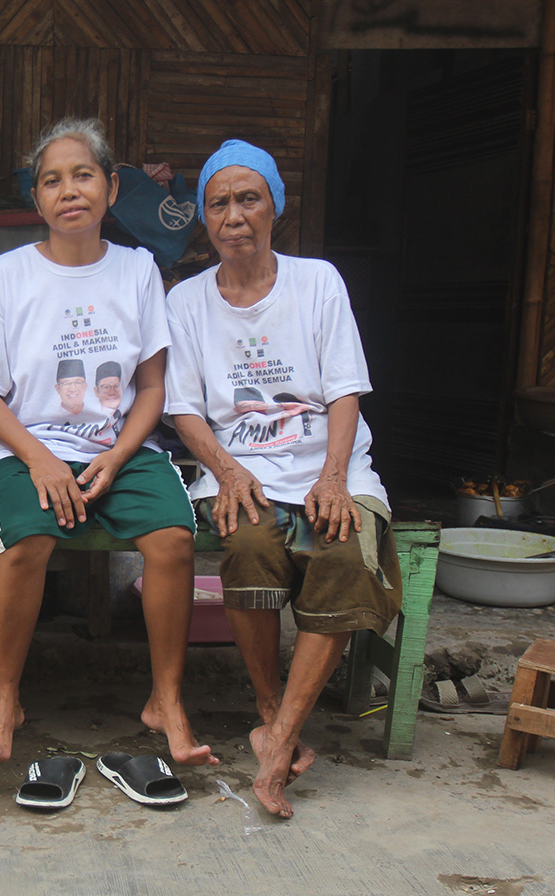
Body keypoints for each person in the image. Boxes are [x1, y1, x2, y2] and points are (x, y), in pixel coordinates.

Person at [0, 118, 216, 767]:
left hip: (117, 446)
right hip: (25, 446)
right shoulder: (6, 275)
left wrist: (119, 452)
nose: (69, 190)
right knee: (30, 539)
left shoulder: (137, 271)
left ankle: (166, 698)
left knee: (174, 539)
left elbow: (152, 388)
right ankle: (5, 699)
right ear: (37, 198)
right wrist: (39, 458)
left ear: (111, 185)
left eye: (83, 175)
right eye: (52, 180)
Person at [165, 139, 401, 819]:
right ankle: (268, 706)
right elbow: (183, 409)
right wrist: (228, 471)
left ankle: (279, 743)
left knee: (347, 552)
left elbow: (347, 390)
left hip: (333, 459)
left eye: (248, 199)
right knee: (248, 545)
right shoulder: (186, 302)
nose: (233, 215)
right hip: (239, 469)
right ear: (204, 219)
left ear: (275, 208)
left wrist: (334, 476)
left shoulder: (317, 281)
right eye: (219, 203)